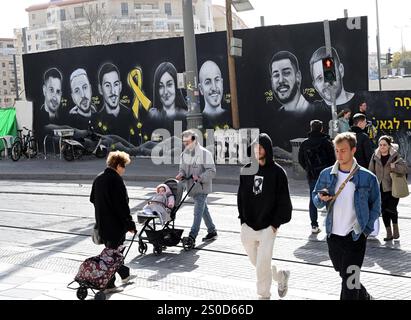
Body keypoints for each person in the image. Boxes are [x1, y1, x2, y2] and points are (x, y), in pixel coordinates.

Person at [313, 132, 380, 300]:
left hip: (355, 236)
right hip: (333, 235)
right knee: (346, 275)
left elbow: (376, 207)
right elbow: (316, 200)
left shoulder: (367, 177)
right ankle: (365, 296)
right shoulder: (326, 174)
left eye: (343, 150)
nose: (339, 154)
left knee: (349, 281)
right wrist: (320, 198)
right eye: (337, 150)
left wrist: (365, 230)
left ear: (353, 150)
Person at [237, 133, 292, 299]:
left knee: (262, 264)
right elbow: (241, 196)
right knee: (258, 263)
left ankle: (263, 295)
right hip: (248, 225)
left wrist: (275, 224)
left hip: (269, 226)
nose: (257, 150)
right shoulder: (247, 169)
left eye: (260, 147)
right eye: (255, 147)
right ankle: (281, 276)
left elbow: (284, 201)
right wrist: (242, 219)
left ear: (267, 149)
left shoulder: (278, 173)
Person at [90, 151, 136, 293]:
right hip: (115, 226)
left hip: (102, 224)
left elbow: (92, 199)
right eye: (123, 166)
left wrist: (103, 208)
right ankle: (109, 285)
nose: (124, 169)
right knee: (113, 255)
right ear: (117, 165)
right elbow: (122, 205)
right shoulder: (116, 180)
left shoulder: (99, 178)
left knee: (113, 252)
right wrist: (130, 224)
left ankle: (124, 274)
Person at [176, 129, 217, 246]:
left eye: (187, 142)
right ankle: (212, 231)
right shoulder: (184, 154)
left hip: (201, 187)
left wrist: (200, 177)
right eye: (184, 142)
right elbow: (182, 170)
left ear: (194, 140)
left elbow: (212, 171)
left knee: (197, 211)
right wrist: (181, 175)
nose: (185, 144)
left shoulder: (205, 154)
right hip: (191, 188)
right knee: (203, 210)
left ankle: (192, 236)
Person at [298, 120, 336, 234]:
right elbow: (332, 159)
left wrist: (308, 169)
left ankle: (314, 225)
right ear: (321, 129)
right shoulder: (326, 142)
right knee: (329, 198)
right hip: (327, 175)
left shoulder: (305, 143)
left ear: (311, 128)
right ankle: (330, 224)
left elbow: (301, 160)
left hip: (312, 176)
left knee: (313, 198)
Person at [368, 136, 408, 241]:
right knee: (384, 210)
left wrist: (395, 167)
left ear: (389, 145)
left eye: (384, 145)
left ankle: (396, 229)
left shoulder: (395, 155)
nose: (382, 147)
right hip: (380, 188)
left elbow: (405, 169)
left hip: (393, 187)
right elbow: (370, 171)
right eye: (380, 145)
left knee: (391, 208)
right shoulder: (375, 156)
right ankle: (389, 233)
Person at [95, 63, 138, 144]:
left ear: (120, 86)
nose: (113, 91)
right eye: (107, 85)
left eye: (115, 84)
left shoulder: (130, 115)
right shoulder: (97, 120)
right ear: (100, 89)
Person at [148, 62, 187, 132]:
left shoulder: (185, 116)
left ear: (176, 86)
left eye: (169, 85)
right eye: (160, 86)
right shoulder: (152, 116)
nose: (165, 92)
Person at [198, 60, 230, 128]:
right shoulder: (198, 121)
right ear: (201, 89)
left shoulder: (231, 116)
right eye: (208, 82)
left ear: (222, 83)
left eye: (217, 80)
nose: (214, 88)